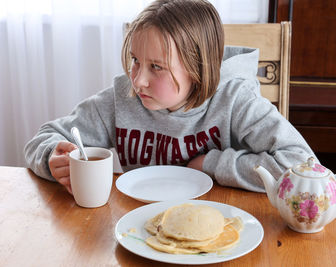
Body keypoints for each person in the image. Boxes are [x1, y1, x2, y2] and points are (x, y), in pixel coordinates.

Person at [24, 0, 316, 195]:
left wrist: (212, 164)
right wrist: (50, 157)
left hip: (224, 223)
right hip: (139, 227)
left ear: (197, 68)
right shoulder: (121, 97)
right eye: (136, 60)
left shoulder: (236, 102)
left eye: (156, 67)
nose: (138, 80)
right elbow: (45, 137)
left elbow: (303, 166)